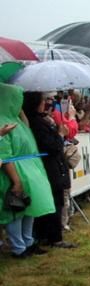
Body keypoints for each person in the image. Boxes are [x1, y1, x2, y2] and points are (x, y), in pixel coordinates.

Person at [0, 86, 56, 258]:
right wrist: (16, 180)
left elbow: (26, 125)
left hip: (29, 170)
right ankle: (19, 247)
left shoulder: (15, 119)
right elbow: (4, 155)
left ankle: (28, 241)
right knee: (15, 209)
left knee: (28, 206)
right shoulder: (3, 121)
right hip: (15, 172)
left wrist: (21, 109)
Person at [26, 94, 75, 249]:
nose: (46, 104)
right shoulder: (36, 123)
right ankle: (53, 237)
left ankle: (49, 236)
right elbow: (51, 146)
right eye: (43, 101)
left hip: (52, 166)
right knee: (53, 202)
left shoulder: (41, 120)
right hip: (49, 168)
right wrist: (60, 134)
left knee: (56, 201)